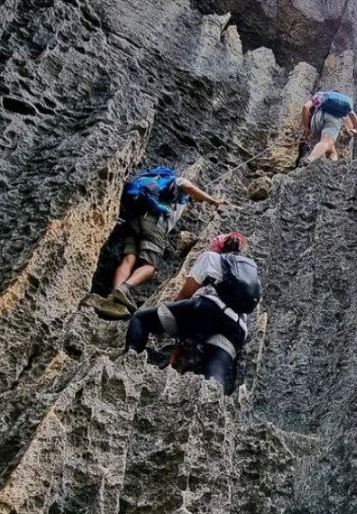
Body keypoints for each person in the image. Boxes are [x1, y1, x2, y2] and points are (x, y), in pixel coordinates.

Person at [124, 232, 261, 393]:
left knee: (142, 319)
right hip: (236, 329)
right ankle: (208, 403)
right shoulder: (250, 278)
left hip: (207, 310)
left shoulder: (211, 257)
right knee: (214, 375)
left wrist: (171, 324)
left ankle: (128, 365)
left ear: (219, 246)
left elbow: (185, 294)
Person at [90, 165, 223, 318]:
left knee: (128, 259)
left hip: (133, 219)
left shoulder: (152, 185)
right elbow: (187, 186)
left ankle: (114, 297)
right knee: (150, 266)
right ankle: (124, 288)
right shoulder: (176, 180)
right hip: (155, 222)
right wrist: (213, 200)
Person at [302, 90, 357, 164]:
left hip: (316, 119)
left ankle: (332, 164)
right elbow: (353, 116)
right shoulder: (344, 104)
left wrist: (306, 127)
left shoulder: (320, 95)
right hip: (333, 119)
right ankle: (310, 159)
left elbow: (306, 107)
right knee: (326, 142)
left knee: (331, 149)